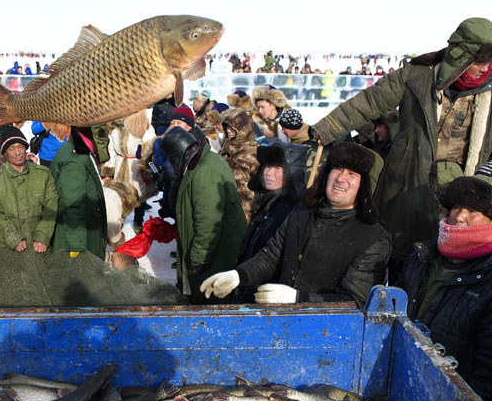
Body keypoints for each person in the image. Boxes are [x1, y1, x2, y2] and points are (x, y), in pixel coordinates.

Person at [311, 17, 492, 276]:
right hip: (409, 184)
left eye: (487, 63)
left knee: (458, 266)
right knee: (402, 258)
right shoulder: (417, 75)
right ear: (459, 56)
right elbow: (369, 102)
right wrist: (324, 129)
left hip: (465, 191)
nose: (482, 69)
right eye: (477, 61)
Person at [201, 142, 390, 308]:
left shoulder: (371, 238)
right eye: (338, 169)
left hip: (326, 340)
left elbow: (354, 302)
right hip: (281, 324)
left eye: (352, 174)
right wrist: (238, 276)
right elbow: (271, 257)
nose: (341, 178)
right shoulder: (302, 213)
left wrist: (298, 298)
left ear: (364, 185)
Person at [397, 175, 492, 401]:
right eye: (456, 207)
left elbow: (488, 370)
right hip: (402, 381)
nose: (460, 217)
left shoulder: (487, 279)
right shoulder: (420, 259)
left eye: (473, 211)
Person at [160, 126, 247, 304]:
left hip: (217, 252)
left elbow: (208, 221)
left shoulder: (204, 172)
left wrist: (198, 257)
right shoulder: (201, 162)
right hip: (215, 249)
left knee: (210, 300)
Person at [233, 146, 301, 302]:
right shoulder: (266, 201)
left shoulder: (289, 209)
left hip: (266, 293)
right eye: (267, 167)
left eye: (278, 168)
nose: (269, 173)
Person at [0, 126, 58, 252]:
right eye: (12, 148)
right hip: (6, 248)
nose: (18, 152)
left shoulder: (43, 174)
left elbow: (51, 206)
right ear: (5, 152)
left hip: (38, 248)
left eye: (21, 147)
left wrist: (42, 236)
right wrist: (12, 238)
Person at [49, 125, 109, 260]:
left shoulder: (82, 151)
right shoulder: (74, 160)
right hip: (76, 239)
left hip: (84, 230)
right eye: (102, 134)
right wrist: (76, 245)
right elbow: (72, 203)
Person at [219, 108, 260, 221]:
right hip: (223, 204)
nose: (228, 131)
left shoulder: (254, 151)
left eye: (233, 127)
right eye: (227, 127)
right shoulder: (226, 148)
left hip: (246, 210)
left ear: (243, 128)